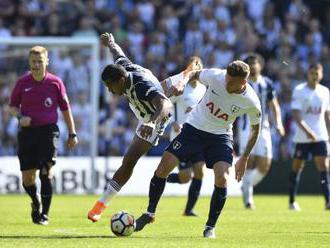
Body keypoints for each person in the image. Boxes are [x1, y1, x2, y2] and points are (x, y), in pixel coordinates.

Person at [134, 60, 262, 238]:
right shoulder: (216, 76)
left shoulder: (252, 102)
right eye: (226, 78)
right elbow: (194, 73)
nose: (226, 83)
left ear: (243, 83)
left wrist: (245, 157)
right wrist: (182, 82)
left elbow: (256, 130)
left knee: (222, 179)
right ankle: (149, 214)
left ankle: (210, 227)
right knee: (162, 169)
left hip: (220, 136)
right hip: (193, 129)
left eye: (231, 82)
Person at [88, 33, 198, 222]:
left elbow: (165, 106)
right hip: (156, 94)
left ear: (121, 81)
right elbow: (118, 53)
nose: (109, 90)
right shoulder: (123, 68)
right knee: (177, 81)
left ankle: (100, 205)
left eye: (110, 86)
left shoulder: (141, 87)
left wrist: (151, 122)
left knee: (130, 160)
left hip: (154, 114)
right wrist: (111, 43)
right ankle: (190, 71)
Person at [9, 46, 78, 225]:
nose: (37, 65)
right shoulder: (22, 82)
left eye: (40, 61)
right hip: (27, 133)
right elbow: (12, 106)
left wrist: (72, 133)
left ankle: (45, 214)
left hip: (48, 131)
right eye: (34, 62)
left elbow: (65, 109)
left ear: (47, 62)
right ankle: (35, 200)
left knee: (47, 171)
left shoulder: (55, 82)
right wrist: (19, 117)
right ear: (29, 63)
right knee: (28, 178)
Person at [239, 53, 285, 209]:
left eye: (255, 63)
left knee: (265, 165)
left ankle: (246, 185)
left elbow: (274, 106)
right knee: (249, 162)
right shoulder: (241, 83)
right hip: (245, 127)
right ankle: (248, 199)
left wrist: (278, 123)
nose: (253, 66)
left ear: (261, 65)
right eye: (249, 64)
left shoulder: (267, 83)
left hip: (264, 127)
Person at [166, 56, 207, 216]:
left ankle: (189, 210)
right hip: (180, 136)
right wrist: (173, 122)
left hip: (198, 136)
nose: (196, 69)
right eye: (194, 66)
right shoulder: (180, 87)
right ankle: (163, 177)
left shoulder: (204, 89)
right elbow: (166, 105)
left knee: (199, 172)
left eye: (199, 66)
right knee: (185, 177)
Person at [288, 63, 330, 211]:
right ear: (308, 74)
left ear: (321, 74)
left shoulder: (325, 92)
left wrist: (328, 133)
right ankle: (292, 201)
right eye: (312, 73)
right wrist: (307, 131)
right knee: (297, 167)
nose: (314, 75)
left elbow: (326, 114)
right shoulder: (299, 90)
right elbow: (295, 114)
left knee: (324, 166)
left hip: (320, 136)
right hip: (303, 137)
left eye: (317, 73)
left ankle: (328, 201)